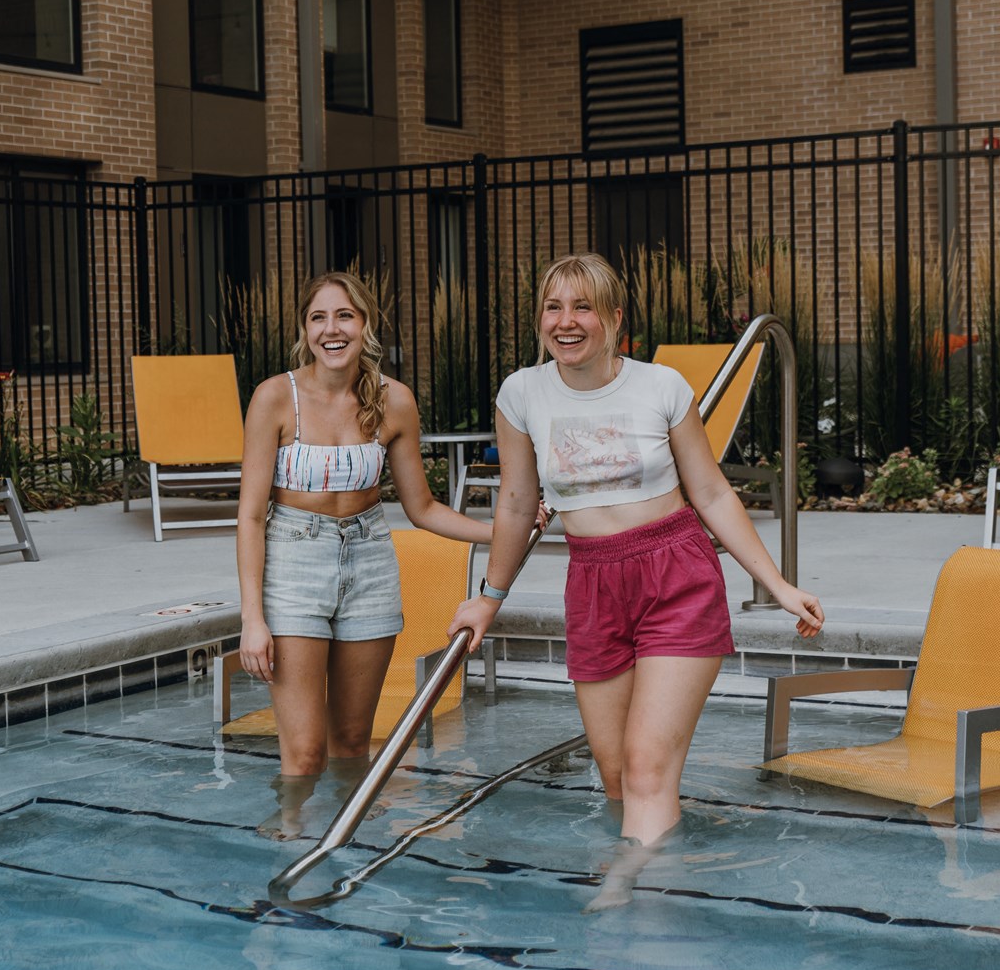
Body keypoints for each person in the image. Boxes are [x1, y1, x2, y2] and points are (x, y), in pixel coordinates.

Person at [445, 252, 824, 908]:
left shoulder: (661, 387)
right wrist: (490, 598)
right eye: (553, 307)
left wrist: (779, 583)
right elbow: (514, 503)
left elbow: (710, 492)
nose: (566, 322)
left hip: (675, 573)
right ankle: (666, 886)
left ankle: (623, 895)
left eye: (583, 306)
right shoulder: (522, 394)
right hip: (593, 584)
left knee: (647, 768)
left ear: (616, 318)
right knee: (618, 773)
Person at [237, 270, 493, 838]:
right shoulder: (275, 397)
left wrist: (504, 533)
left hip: (370, 562)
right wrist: (253, 619)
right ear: (304, 330)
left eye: (345, 316)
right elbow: (252, 516)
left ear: (366, 325)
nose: (332, 329)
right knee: (303, 755)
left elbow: (422, 509)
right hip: (294, 564)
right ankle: (290, 848)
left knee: (354, 743)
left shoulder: (393, 401)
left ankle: (345, 857)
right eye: (319, 317)